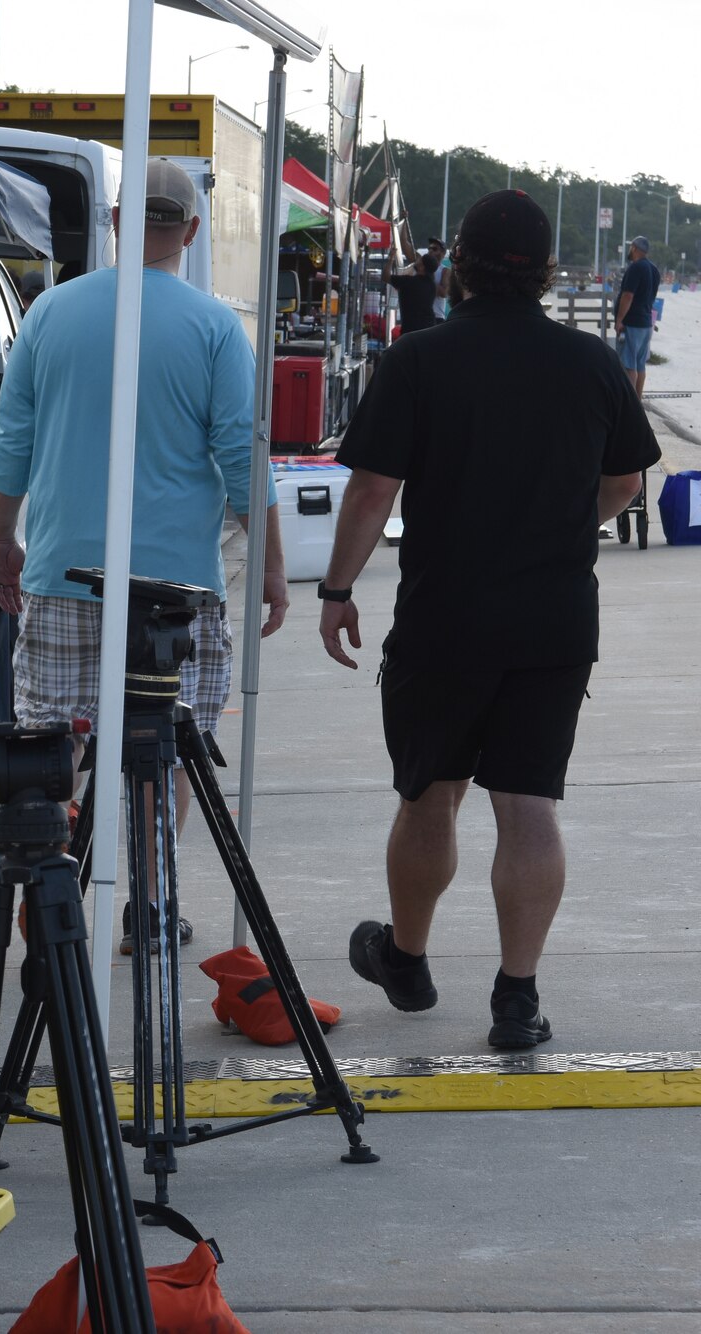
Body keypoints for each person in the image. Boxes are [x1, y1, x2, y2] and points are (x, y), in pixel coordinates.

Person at [316, 190, 660, 1050]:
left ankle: (408, 958)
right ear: (547, 271)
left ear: (457, 264)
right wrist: (562, 525)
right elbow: (626, 485)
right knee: (530, 805)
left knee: (431, 796)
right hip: (552, 622)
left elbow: (371, 489)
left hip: (445, 618)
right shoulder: (591, 366)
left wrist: (336, 589)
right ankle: (516, 998)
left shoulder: (420, 360)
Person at [0, 157, 287, 950]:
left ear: (116, 221)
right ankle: (146, 911)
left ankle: (46, 912)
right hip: (174, 593)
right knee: (164, 752)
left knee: (51, 746)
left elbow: (11, 442)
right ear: (190, 230)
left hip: (60, 574)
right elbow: (240, 458)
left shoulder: (51, 312)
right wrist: (275, 570)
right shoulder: (216, 326)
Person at [615, 235, 661, 395]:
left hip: (633, 323)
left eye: (631, 247)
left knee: (629, 365)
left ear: (634, 248)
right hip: (646, 323)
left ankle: (630, 405)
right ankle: (638, 401)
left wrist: (619, 319)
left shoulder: (636, 268)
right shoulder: (654, 270)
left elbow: (628, 295)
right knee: (640, 365)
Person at [387, 228, 444, 337]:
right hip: (415, 319)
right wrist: (404, 223)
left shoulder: (445, 271)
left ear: (442, 253)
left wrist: (427, 279)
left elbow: (444, 293)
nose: (431, 250)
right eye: (430, 248)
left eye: (435, 249)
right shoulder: (421, 261)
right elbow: (405, 243)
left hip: (436, 317)